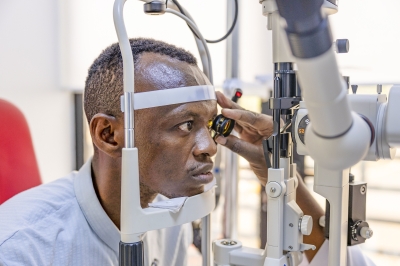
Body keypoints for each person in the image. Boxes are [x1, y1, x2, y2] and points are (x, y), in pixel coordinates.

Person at [0, 38, 373, 266]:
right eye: (183, 125)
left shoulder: (169, 210)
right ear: (109, 135)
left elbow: (337, 262)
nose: (210, 146)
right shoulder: (21, 248)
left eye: (210, 125)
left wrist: (273, 170)